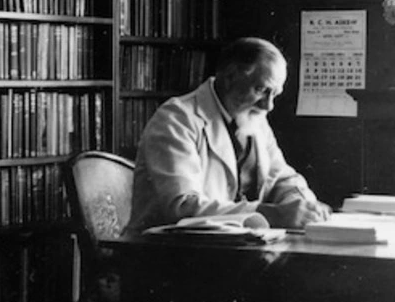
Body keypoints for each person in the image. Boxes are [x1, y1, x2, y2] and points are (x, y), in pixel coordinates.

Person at [126, 37, 332, 234]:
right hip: (163, 250)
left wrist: (301, 204)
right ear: (230, 77)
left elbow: (281, 177)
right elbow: (182, 206)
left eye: (275, 94)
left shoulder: (254, 118)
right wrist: (272, 214)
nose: (268, 106)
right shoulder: (177, 119)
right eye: (261, 90)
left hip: (234, 248)